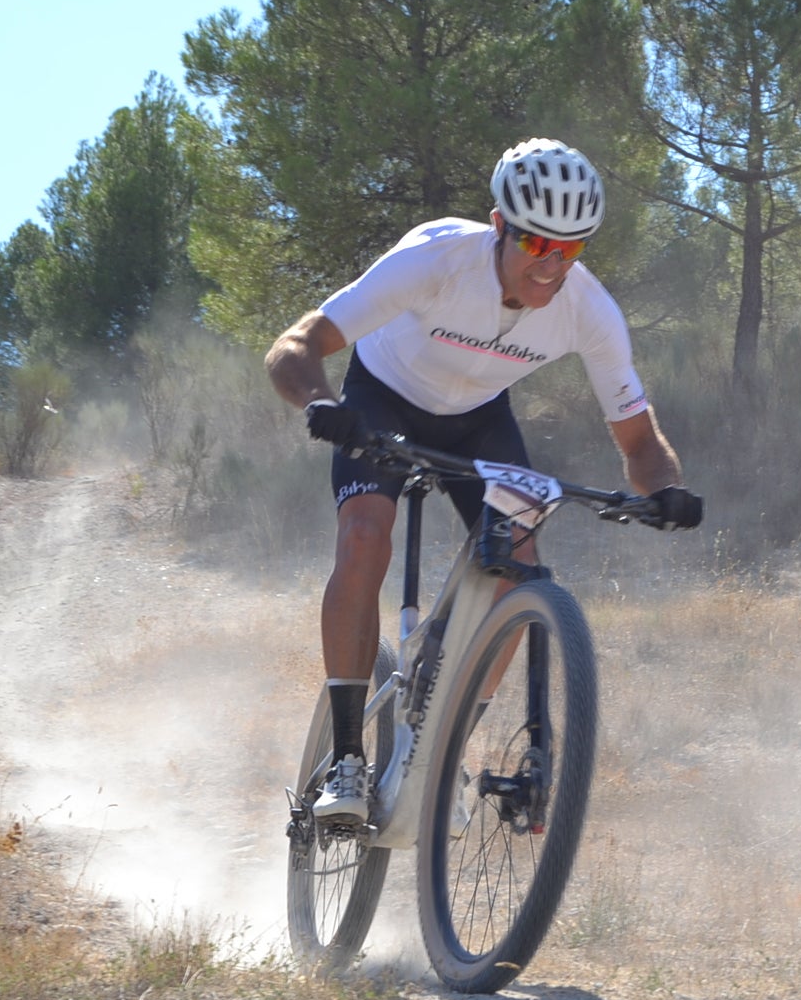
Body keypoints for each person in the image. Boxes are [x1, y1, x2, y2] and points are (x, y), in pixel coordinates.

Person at [265, 139, 701, 823]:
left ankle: (438, 757)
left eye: (572, 249)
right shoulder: (434, 260)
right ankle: (347, 759)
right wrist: (323, 406)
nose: (552, 266)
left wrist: (664, 489)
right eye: (537, 244)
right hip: (381, 402)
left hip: (477, 419)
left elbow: (641, 442)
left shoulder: (591, 310)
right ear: (500, 226)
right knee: (364, 537)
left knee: (522, 563)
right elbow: (294, 345)